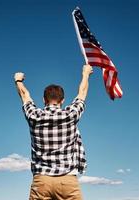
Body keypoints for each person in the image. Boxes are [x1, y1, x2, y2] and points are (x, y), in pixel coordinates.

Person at [14, 64, 93, 200]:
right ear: (62, 100)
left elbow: (24, 95)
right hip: (67, 181)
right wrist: (85, 74)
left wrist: (18, 80)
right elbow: (82, 93)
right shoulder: (70, 115)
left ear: (44, 100)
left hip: (41, 182)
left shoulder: (34, 116)